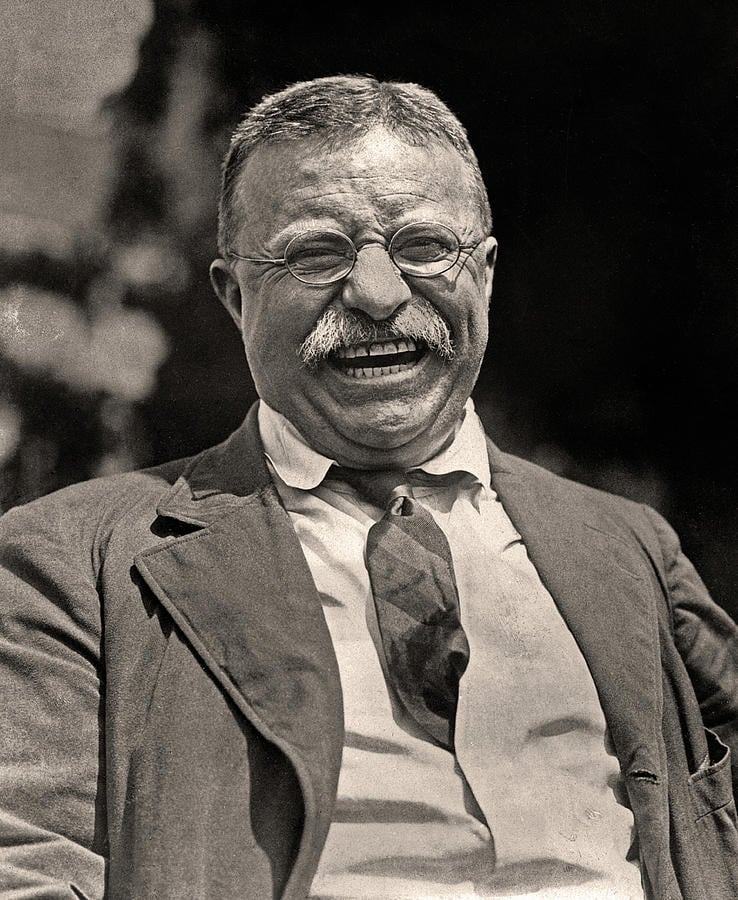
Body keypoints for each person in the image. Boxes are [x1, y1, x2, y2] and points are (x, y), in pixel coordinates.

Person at [0, 74, 736, 900]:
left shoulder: (631, 546)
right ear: (236, 297)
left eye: (424, 247)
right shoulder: (70, 562)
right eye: (316, 255)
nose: (379, 296)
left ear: (486, 274)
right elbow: (26, 865)